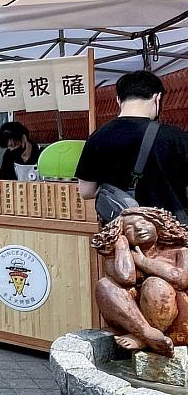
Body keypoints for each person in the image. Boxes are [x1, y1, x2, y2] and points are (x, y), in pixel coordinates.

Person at [77, 71, 188, 220]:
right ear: (157, 97)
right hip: (168, 233)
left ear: (118, 100)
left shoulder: (98, 137)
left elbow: (86, 191)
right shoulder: (175, 136)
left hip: (120, 233)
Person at [92, 207, 188, 356]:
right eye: (129, 228)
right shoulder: (120, 256)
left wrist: (143, 262)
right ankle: (146, 333)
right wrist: (121, 244)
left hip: (176, 325)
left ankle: (146, 338)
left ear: (158, 225)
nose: (138, 228)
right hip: (136, 323)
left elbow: (180, 279)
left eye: (144, 223)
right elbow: (126, 278)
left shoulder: (180, 251)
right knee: (105, 285)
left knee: (155, 284)